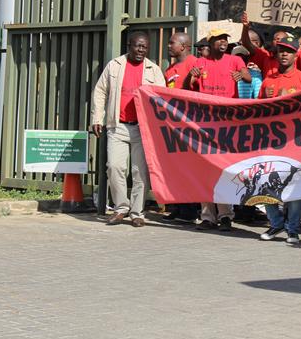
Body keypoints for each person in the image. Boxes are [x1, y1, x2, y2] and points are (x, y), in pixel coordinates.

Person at [90, 31, 165, 227]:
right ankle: (121, 208)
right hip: (118, 126)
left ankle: (137, 212)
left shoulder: (154, 70)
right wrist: (97, 118)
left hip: (143, 129)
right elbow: (100, 91)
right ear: (129, 46)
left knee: (140, 171)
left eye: (144, 47)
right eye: (137, 46)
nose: (141, 50)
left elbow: (161, 98)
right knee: (114, 167)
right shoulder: (114, 65)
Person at [186, 28, 251, 231]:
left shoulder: (234, 60)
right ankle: (207, 217)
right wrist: (190, 76)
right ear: (210, 42)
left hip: (227, 125)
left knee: (224, 169)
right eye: (219, 39)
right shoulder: (201, 62)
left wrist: (241, 75)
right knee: (205, 170)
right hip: (205, 124)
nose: (223, 42)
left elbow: (248, 77)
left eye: (225, 39)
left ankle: (225, 216)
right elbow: (188, 88)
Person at [257, 37, 301, 245]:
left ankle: (293, 229)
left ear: (296, 55)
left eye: (289, 51)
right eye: (281, 50)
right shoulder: (268, 80)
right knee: (266, 184)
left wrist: (289, 102)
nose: (284, 54)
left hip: (296, 142)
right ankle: (276, 223)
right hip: (270, 141)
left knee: (294, 187)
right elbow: (259, 111)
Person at [162, 31, 199, 224]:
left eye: (172, 43)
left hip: (191, 125)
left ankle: (191, 210)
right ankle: (177, 206)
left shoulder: (196, 64)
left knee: (190, 168)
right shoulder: (169, 70)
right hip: (173, 125)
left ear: (183, 46)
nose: (168, 46)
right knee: (175, 168)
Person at [240, 12, 301, 76]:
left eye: (281, 39)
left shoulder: (295, 55)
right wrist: (245, 27)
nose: (278, 41)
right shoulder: (265, 56)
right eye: (275, 39)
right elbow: (247, 44)